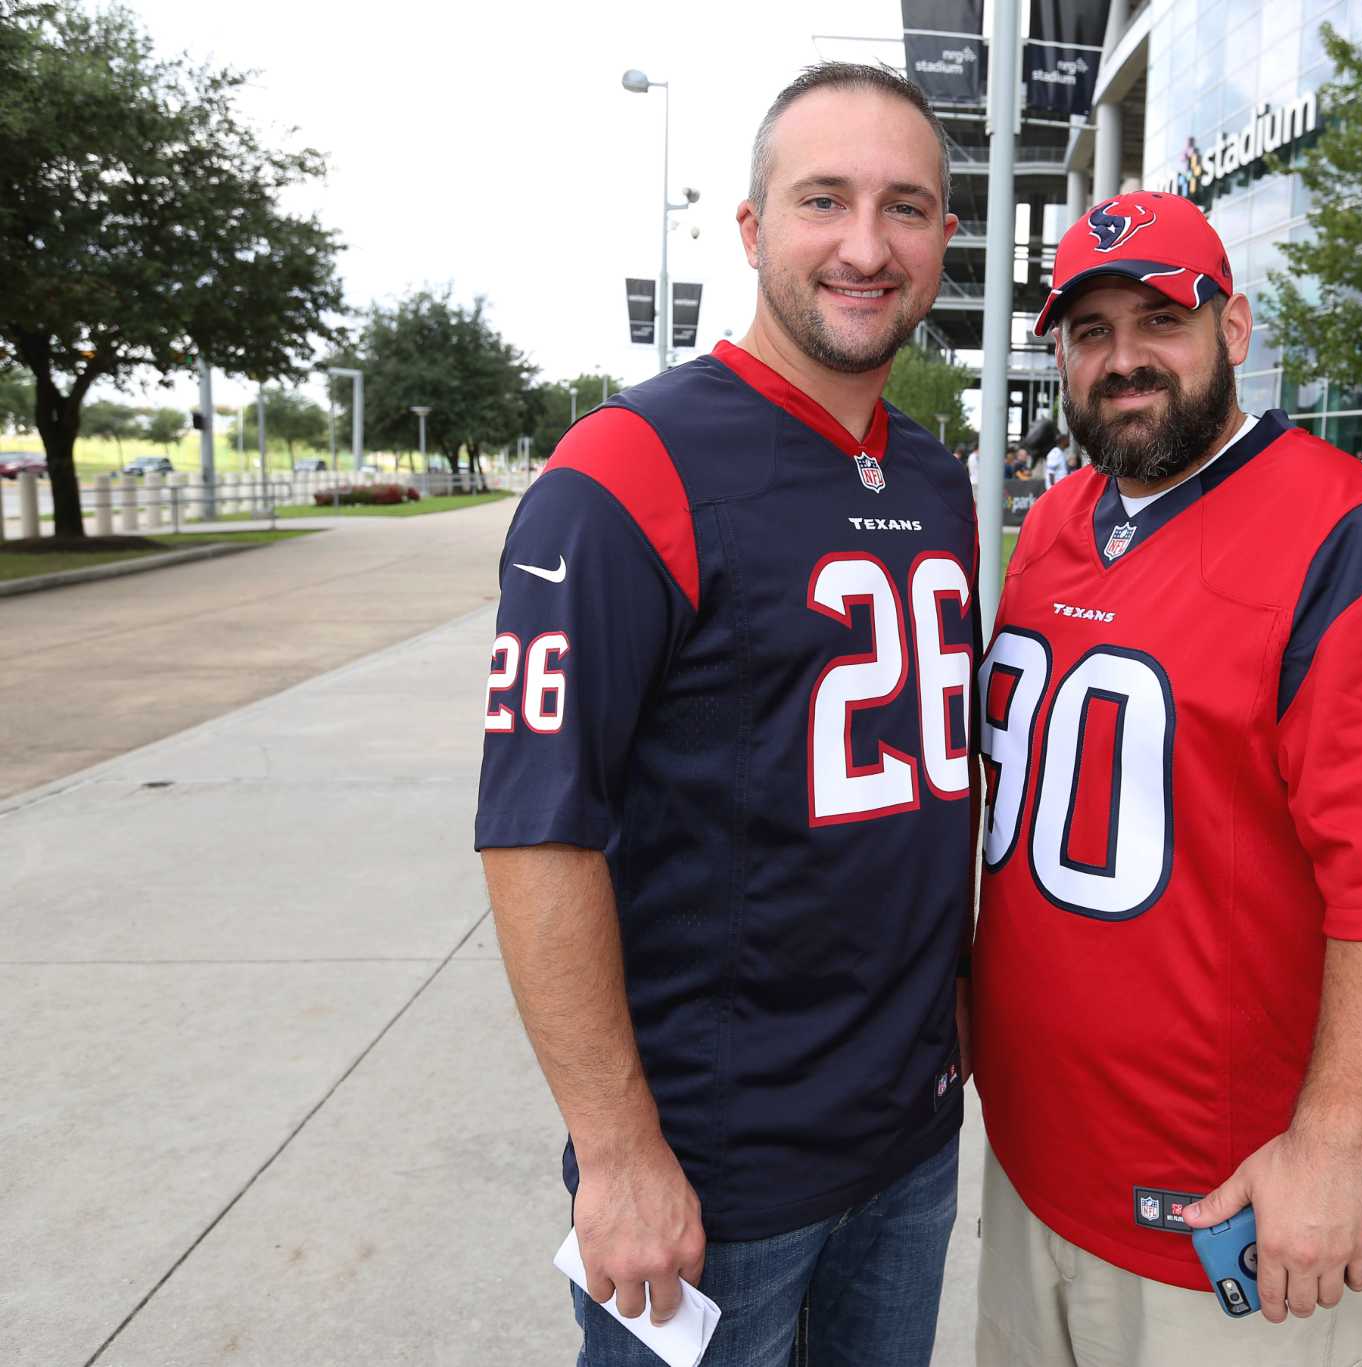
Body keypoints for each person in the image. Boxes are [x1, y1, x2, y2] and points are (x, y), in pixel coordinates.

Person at [475, 61, 977, 1367]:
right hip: (711, 1180)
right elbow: (535, 832)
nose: (866, 246)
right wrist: (619, 1147)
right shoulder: (624, 474)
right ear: (752, 230)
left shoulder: (935, 478)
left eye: (906, 207)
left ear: (946, 238)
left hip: (909, 1144)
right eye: (825, 200)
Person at [971, 191, 1362, 1367]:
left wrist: (1334, 1140)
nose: (1123, 361)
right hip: (1032, 1162)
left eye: (1159, 319)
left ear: (1233, 328)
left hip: (1223, 1203)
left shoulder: (1353, 542)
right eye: (1088, 332)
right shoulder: (1062, 515)